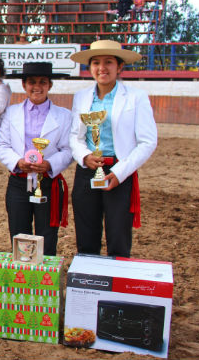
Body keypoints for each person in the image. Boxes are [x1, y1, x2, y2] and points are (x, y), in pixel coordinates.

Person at [69, 40, 157, 257]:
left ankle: (116, 287)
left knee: (118, 237)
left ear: (120, 67)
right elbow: (75, 136)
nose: (102, 68)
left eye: (108, 62)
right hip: (87, 170)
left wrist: (120, 172)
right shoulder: (81, 97)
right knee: (86, 236)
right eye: (96, 63)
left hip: (120, 173)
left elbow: (148, 141)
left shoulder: (136, 97)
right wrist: (84, 156)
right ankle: (89, 286)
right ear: (89, 68)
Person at [0, 62, 73, 256]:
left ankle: (45, 281)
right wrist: (17, 162)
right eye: (31, 82)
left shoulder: (64, 116)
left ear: (50, 85)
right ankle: (23, 280)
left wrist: (50, 164)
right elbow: (2, 145)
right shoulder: (11, 113)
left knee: (47, 236)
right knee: (19, 234)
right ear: (24, 85)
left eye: (42, 82)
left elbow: (68, 149)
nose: (37, 87)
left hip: (48, 183)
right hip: (19, 182)